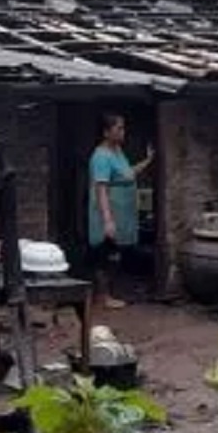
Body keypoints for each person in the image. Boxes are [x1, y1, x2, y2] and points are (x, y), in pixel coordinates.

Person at [87, 113, 153, 309]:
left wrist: (148, 160)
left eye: (123, 128)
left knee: (115, 252)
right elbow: (101, 189)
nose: (123, 132)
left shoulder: (117, 151)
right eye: (119, 128)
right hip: (107, 212)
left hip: (121, 213)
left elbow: (128, 174)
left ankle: (108, 293)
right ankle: (102, 296)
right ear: (106, 132)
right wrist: (107, 220)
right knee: (104, 254)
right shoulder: (101, 156)